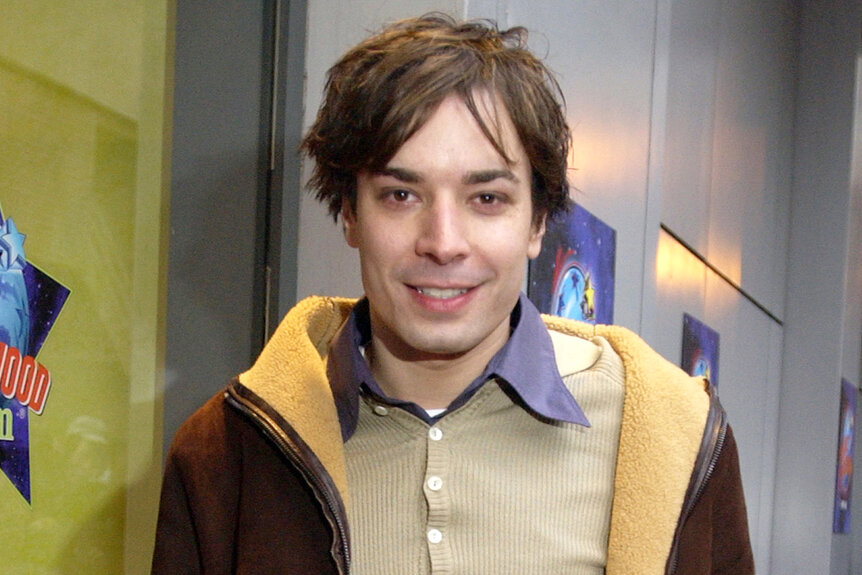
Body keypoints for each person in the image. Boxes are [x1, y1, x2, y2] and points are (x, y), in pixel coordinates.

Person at [152, 13, 754, 575]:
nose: (443, 243)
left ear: (538, 223)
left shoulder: (676, 441)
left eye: (486, 198)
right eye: (401, 195)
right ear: (350, 213)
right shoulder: (226, 451)